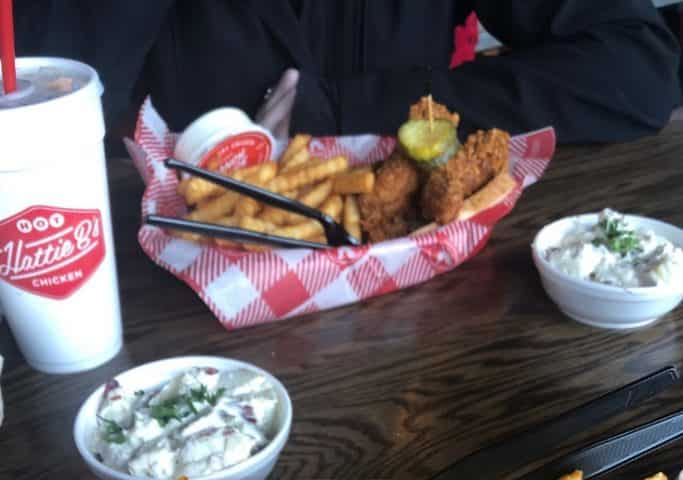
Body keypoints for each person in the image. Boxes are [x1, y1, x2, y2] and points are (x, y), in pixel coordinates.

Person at [15, 1, 682, 144]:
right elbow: (38, 114)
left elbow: (638, 73)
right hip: (174, 324)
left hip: (441, 304)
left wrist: (360, 109)